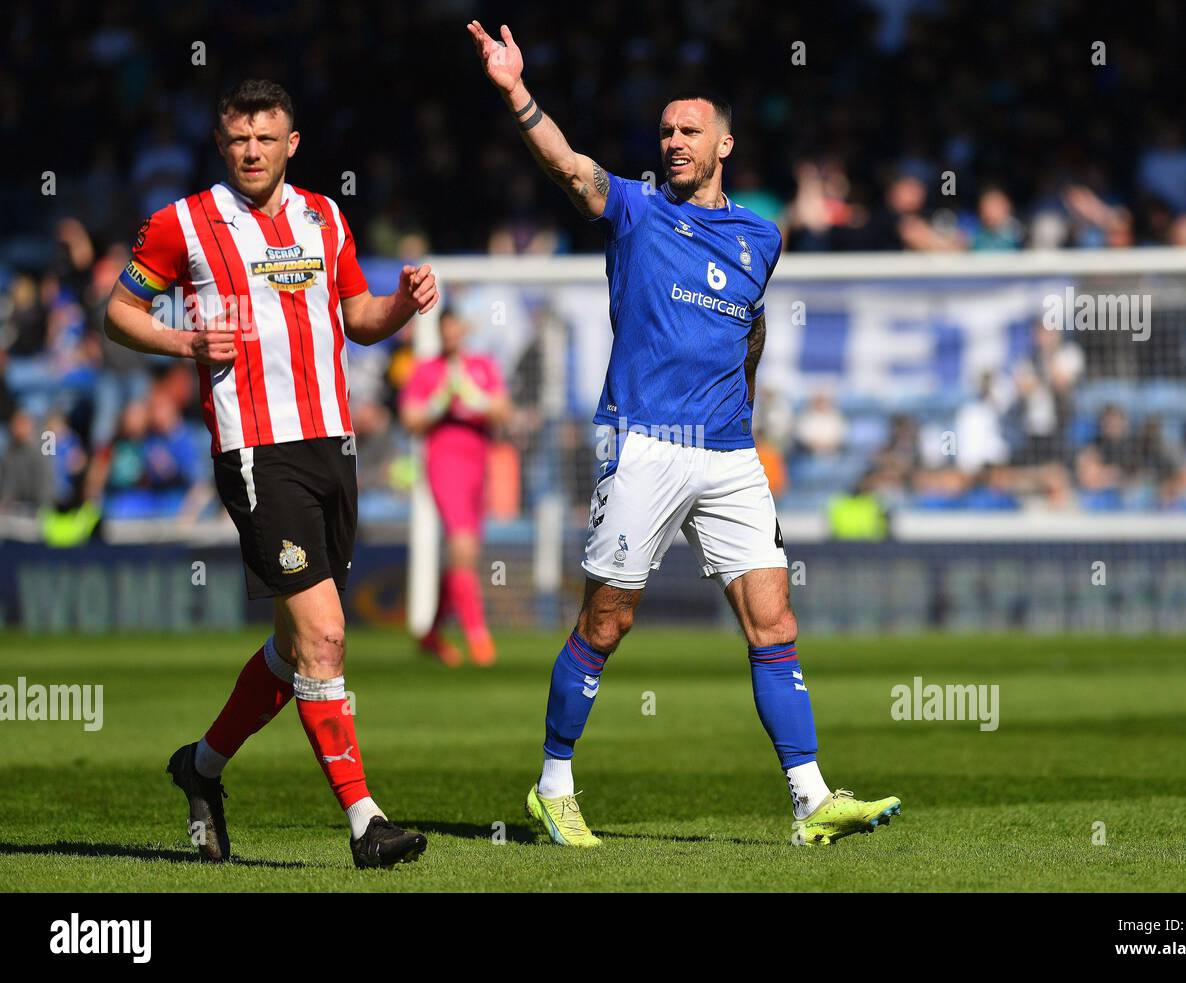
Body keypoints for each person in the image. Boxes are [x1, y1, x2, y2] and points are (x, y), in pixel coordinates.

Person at [468, 20, 901, 847]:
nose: (671, 142)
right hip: (646, 441)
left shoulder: (759, 237)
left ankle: (810, 799)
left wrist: (742, 392)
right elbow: (566, 163)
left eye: (688, 131)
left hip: (730, 450)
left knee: (773, 618)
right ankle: (552, 783)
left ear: (724, 144)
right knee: (607, 622)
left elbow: (753, 326)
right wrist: (516, 90)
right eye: (664, 130)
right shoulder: (633, 209)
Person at [103, 79, 436, 868]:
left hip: (333, 446)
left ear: (292, 142)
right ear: (222, 144)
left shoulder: (325, 216)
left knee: (295, 651)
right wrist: (186, 344)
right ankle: (366, 823)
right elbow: (118, 312)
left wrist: (403, 306)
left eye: (266, 137)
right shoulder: (181, 222)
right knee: (325, 633)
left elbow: (356, 319)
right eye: (238, 139)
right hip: (256, 452)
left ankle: (201, 766)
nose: (251, 151)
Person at [399, 308, 511, 667]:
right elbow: (411, 420)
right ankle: (478, 636)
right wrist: (440, 402)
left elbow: (502, 411)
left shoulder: (481, 365)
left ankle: (431, 635)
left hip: (478, 462)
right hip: (444, 462)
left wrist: (472, 396)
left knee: (465, 552)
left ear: (462, 330)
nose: (450, 336)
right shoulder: (427, 370)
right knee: (462, 544)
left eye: (454, 329)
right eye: (444, 331)